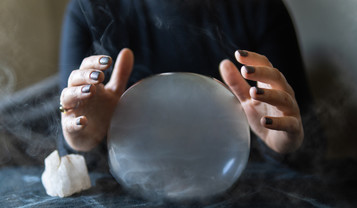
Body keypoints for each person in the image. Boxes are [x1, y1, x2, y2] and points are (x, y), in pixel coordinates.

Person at [58, 0, 324, 170]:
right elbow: (69, 154)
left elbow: (312, 148)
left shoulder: (261, 9)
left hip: (235, 195)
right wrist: (85, 140)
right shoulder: (90, 8)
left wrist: (281, 146)